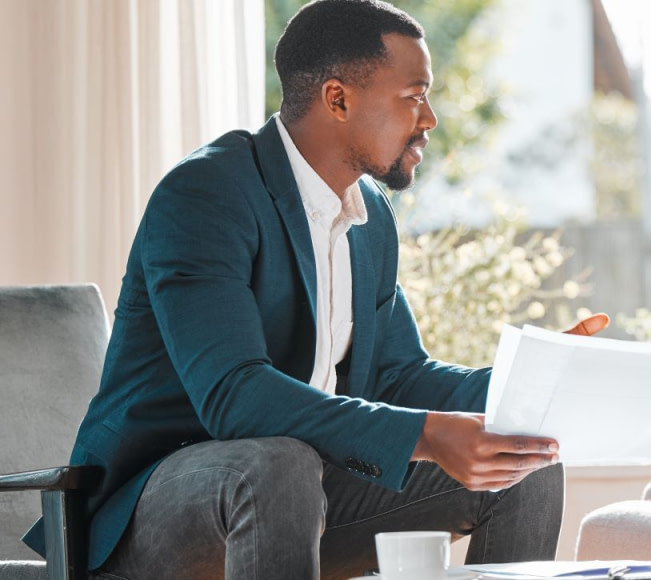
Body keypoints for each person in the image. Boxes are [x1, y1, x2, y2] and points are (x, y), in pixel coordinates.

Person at [22, 1, 608, 578]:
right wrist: (427, 435)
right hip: (154, 505)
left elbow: (399, 375)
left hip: (298, 492)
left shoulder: (368, 216)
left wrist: (534, 380)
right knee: (280, 464)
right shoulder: (207, 193)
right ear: (338, 99)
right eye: (414, 95)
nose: (429, 118)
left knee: (521, 463)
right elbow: (234, 395)